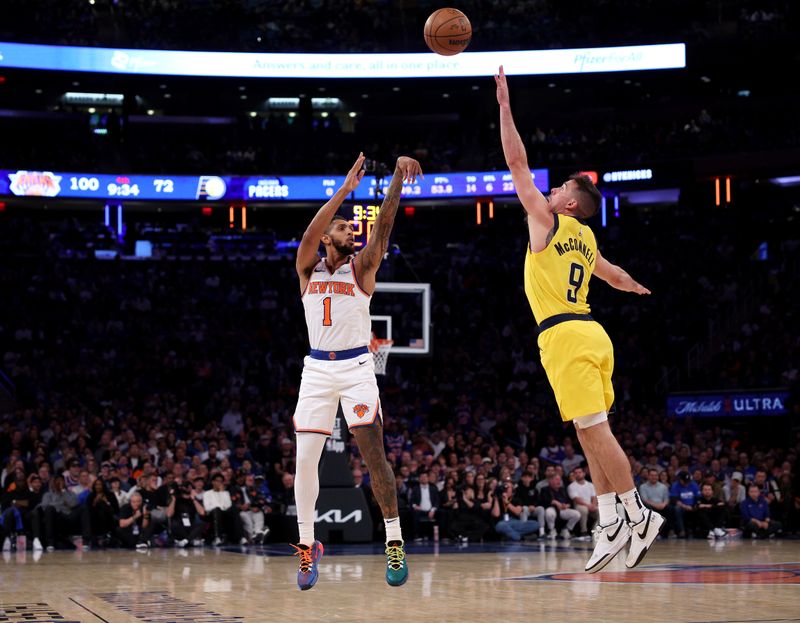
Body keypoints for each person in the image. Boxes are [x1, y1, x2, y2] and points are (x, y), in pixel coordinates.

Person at [495, 64, 663, 572]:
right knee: (590, 433)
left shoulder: (547, 221)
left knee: (597, 433)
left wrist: (505, 107)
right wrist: (634, 284)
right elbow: (612, 276)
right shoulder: (588, 239)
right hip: (592, 333)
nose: (547, 192)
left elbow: (517, 163)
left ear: (568, 202)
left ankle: (638, 513)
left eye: (558, 188)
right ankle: (610, 521)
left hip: (565, 336)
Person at [291, 152, 423, 590]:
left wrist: (396, 181)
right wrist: (344, 192)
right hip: (316, 369)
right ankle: (308, 548)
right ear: (329, 235)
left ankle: (394, 541)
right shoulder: (307, 268)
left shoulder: (362, 267)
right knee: (305, 461)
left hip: (357, 368)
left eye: (352, 227)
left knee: (373, 456)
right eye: (345, 227)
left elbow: (384, 227)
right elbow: (311, 232)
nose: (353, 231)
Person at [567, 467, 598, 536]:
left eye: (580, 472)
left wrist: (593, 505)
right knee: (584, 510)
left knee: (599, 510)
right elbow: (577, 499)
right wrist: (588, 505)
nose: (578, 474)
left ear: (584, 474)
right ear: (574, 475)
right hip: (579, 505)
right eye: (576, 473)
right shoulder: (571, 486)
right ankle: (584, 531)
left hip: (591, 505)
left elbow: (594, 497)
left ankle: (598, 531)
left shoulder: (590, 485)